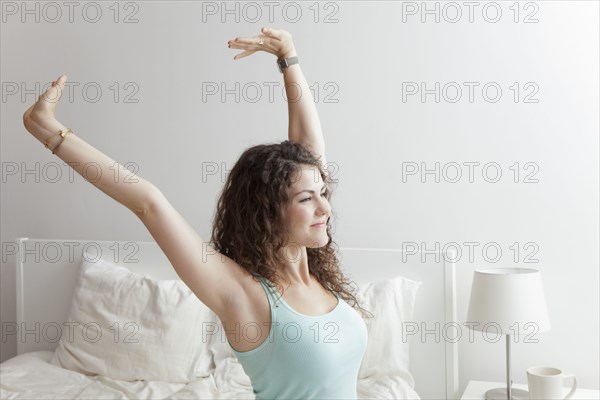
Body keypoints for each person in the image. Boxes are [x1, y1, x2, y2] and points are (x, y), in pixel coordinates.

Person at [22, 27, 372, 400]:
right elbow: (149, 203)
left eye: (323, 193)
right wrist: (50, 131)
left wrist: (289, 59)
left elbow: (307, 153)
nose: (325, 208)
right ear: (269, 212)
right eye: (307, 200)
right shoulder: (244, 295)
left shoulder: (317, 273)